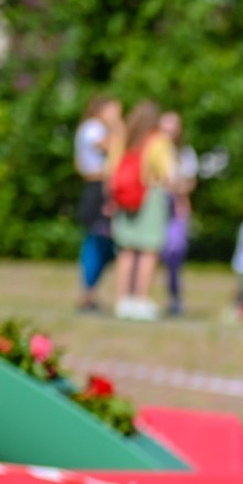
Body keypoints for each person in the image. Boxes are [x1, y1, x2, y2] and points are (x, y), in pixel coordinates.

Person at [109, 101, 175, 321]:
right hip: (150, 195)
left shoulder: (122, 139)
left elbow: (111, 171)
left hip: (123, 198)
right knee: (148, 251)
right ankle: (140, 299)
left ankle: (122, 301)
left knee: (126, 251)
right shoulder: (158, 141)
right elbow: (168, 173)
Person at [73, 95, 121, 313]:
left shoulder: (92, 128)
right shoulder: (93, 128)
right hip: (97, 188)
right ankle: (87, 293)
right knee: (96, 240)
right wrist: (118, 127)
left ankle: (90, 292)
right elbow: (112, 147)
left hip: (99, 186)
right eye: (114, 111)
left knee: (104, 244)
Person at [159, 110, 199, 317]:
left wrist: (177, 189)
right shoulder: (153, 151)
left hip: (177, 208)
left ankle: (174, 298)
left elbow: (189, 183)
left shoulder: (185, 153)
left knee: (174, 253)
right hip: (156, 208)